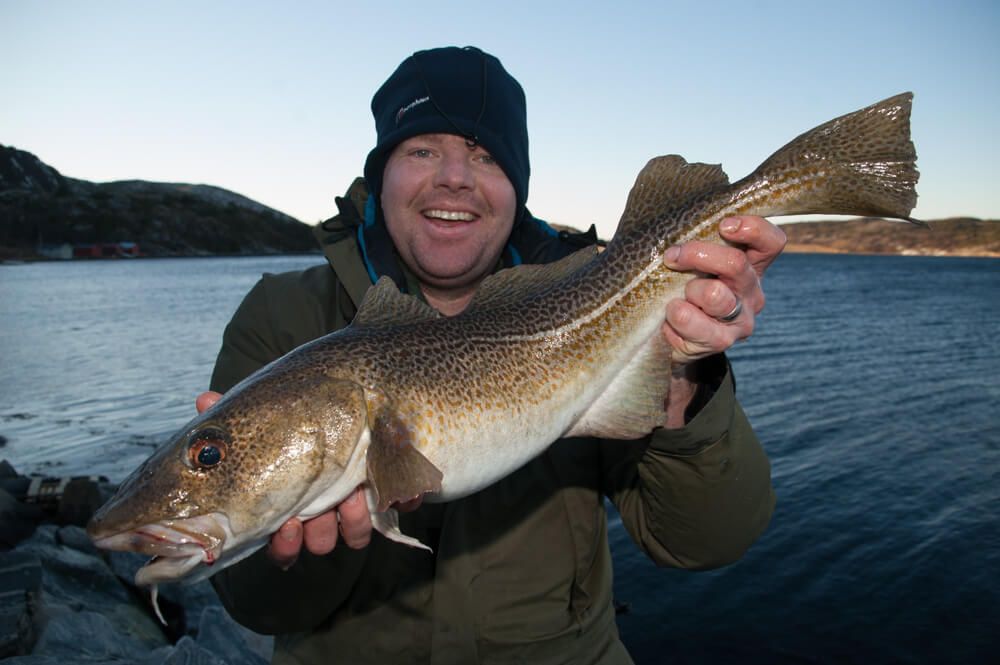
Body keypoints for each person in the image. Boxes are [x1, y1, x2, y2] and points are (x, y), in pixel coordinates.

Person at [200, 46, 784, 664]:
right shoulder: (281, 316)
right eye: (421, 150)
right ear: (380, 174)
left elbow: (706, 542)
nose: (455, 177)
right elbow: (254, 604)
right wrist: (302, 549)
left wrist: (684, 375)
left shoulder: (597, 301)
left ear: (517, 188)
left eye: (485, 156)